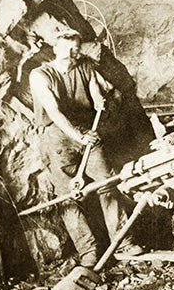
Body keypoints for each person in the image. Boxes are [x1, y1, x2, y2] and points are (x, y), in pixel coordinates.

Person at [29, 29, 142, 266]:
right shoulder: (40, 75)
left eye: (76, 48)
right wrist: (79, 137)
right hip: (57, 138)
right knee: (68, 196)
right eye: (69, 49)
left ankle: (123, 243)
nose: (73, 53)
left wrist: (98, 98)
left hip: (88, 131)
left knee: (107, 182)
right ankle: (88, 252)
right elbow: (54, 111)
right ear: (56, 48)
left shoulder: (85, 66)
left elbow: (94, 88)